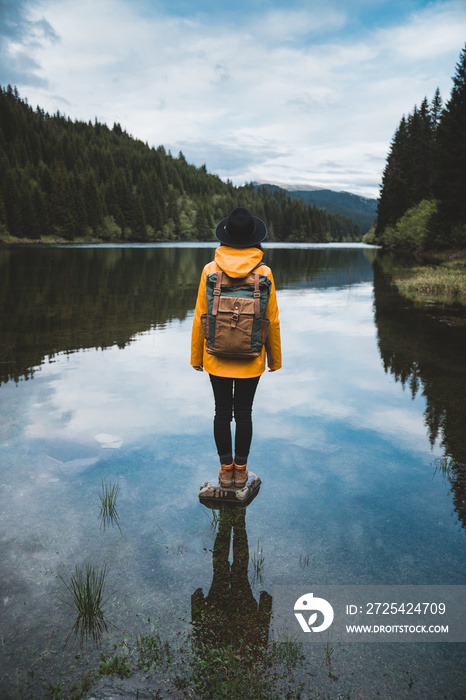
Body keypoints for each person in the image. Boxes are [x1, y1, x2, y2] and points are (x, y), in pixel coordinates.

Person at [191, 207, 282, 487]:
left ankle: (224, 470)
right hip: (251, 356)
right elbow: (272, 320)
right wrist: (274, 360)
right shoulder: (264, 272)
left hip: (216, 356)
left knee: (221, 412)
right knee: (244, 413)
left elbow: (199, 316)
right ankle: (240, 471)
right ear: (254, 239)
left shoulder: (210, 270)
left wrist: (197, 356)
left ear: (225, 238)